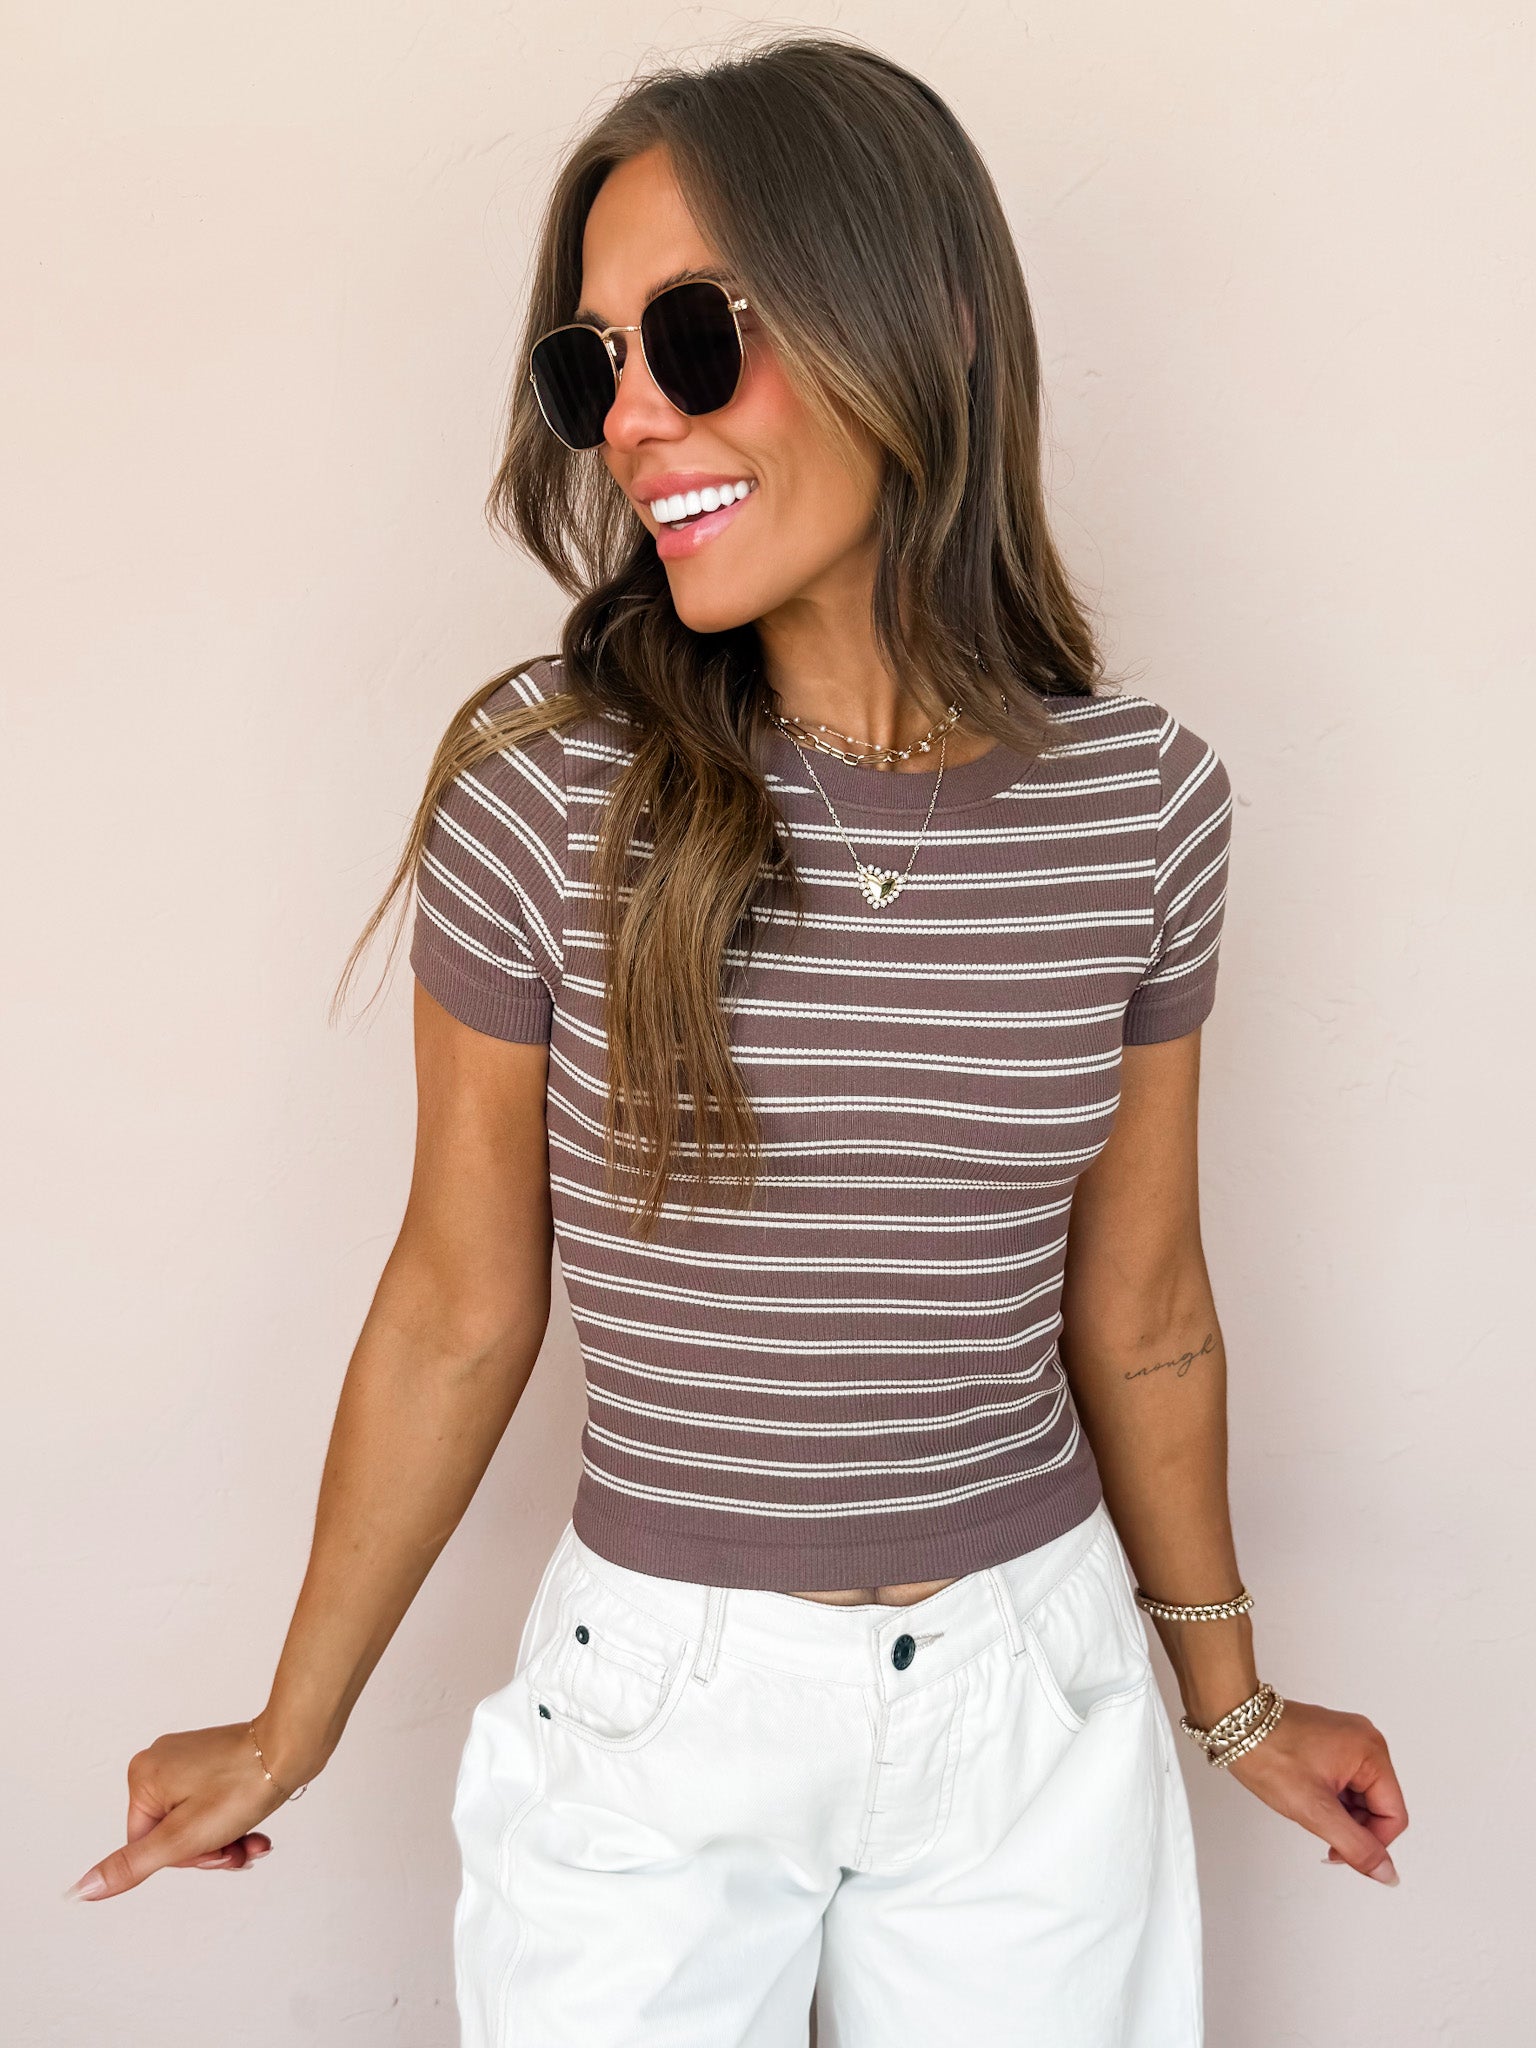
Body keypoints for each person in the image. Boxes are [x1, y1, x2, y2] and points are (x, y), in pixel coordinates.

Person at [68, 31, 1408, 2047]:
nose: (630, 418)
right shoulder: (544, 790)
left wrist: (1231, 1702)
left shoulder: (1143, 806)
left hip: (1031, 1707)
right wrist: (293, 1720)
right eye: (589, 364)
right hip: (654, 1713)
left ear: (921, 321)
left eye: (693, 339)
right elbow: (456, 1300)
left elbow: (1141, 1311)